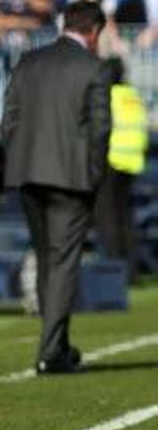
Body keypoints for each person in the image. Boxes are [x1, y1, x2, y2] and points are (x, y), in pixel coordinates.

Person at [1, 0, 111, 374]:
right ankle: (51, 352)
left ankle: (59, 346)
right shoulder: (94, 67)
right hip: (71, 178)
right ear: (94, 31)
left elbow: (8, 121)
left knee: (49, 259)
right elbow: (100, 129)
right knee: (62, 262)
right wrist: (94, 174)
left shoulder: (28, 61)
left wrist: (19, 159)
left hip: (28, 173)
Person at [94, 57, 149, 282]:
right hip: (132, 160)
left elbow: (100, 128)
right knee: (126, 217)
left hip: (112, 160)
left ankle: (115, 267)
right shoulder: (132, 97)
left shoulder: (109, 96)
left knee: (106, 215)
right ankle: (132, 269)